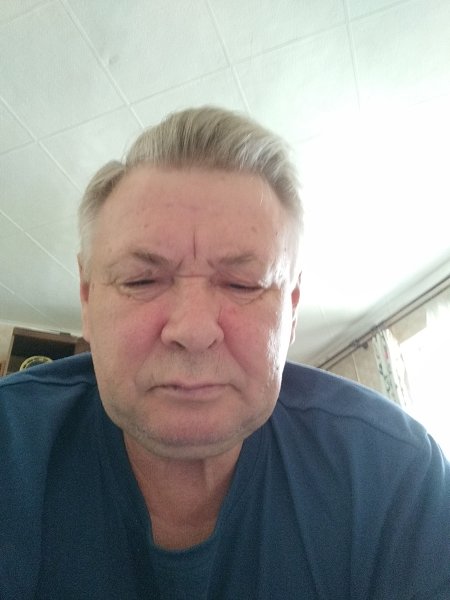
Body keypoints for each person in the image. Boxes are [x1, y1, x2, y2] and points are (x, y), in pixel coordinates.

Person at [0, 107, 449, 600]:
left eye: (243, 284)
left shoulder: (393, 478)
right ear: (87, 300)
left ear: (291, 310)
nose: (193, 331)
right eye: (142, 280)